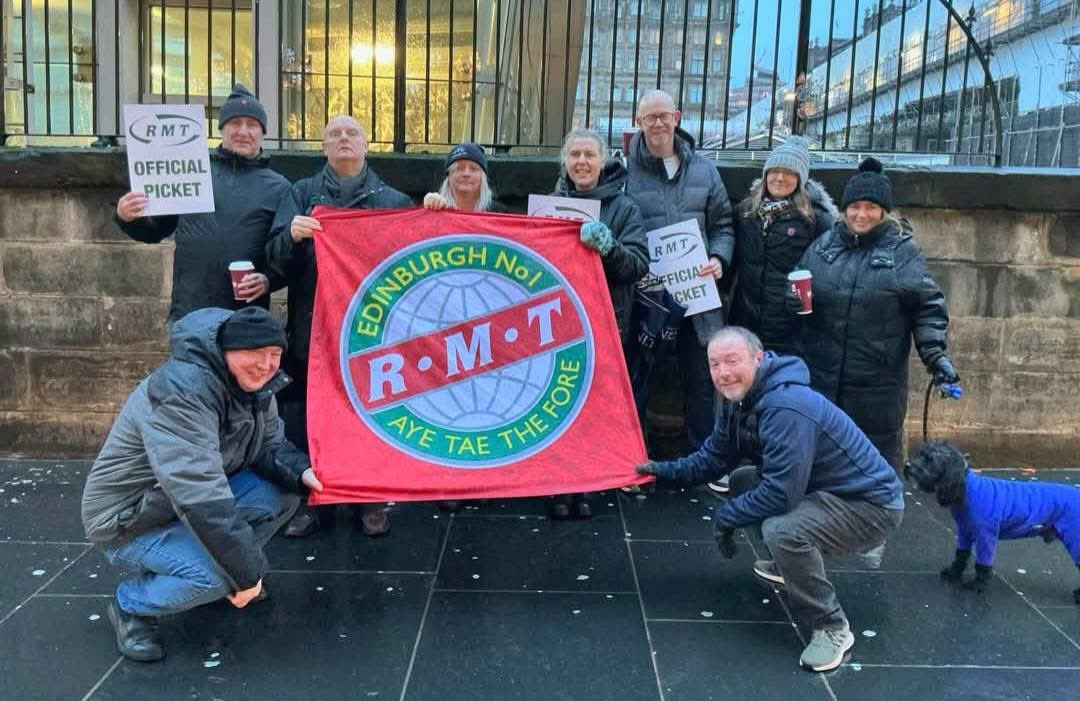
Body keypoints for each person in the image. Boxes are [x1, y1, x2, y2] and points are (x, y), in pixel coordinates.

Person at [636, 326, 904, 673]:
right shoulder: (740, 400)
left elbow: (782, 492)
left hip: (871, 504)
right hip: (826, 488)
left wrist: (727, 517)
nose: (723, 373)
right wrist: (659, 471)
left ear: (758, 358)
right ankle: (788, 566)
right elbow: (712, 460)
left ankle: (831, 626)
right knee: (743, 481)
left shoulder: (786, 406)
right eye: (714, 364)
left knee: (783, 530)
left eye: (732, 361)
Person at [81, 306, 322, 662]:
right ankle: (132, 605)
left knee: (283, 493)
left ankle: (203, 569)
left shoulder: (255, 386)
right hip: (130, 518)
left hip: (180, 501)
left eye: (274, 355)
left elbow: (270, 446)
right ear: (226, 351)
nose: (266, 364)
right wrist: (243, 575)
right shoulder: (182, 392)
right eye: (255, 354)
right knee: (216, 577)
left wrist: (303, 472)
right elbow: (199, 494)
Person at [265, 115, 412, 538]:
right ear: (324, 147)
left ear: (367, 144)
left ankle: (368, 498)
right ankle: (314, 500)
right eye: (334, 134)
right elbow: (274, 263)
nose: (343, 139)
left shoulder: (394, 200)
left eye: (352, 134)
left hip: (373, 332)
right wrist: (290, 237)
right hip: (314, 326)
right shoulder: (301, 195)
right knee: (312, 416)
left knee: (371, 413)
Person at [795, 157, 957, 470]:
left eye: (870, 207)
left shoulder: (902, 252)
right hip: (823, 376)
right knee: (822, 459)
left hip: (876, 385)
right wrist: (795, 302)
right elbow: (799, 284)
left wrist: (935, 356)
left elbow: (928, 308)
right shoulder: (824, 245)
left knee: (874, 464)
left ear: (883, 211)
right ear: (844, 209)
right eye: (854, 206)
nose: (861, 214)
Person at [707, 136, 836, 496]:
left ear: (801, 178)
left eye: (788, 172)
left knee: (782, 396)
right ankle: (733, 463)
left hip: (791, 325)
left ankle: (776, 467)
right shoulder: (745, 211)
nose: (779, 178)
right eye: (774, 171)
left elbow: (827, 270)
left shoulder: (816, 219)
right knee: (738, 392)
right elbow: (732, 260)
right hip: (746, 317)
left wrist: (811, 306)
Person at [114, 84, 290, 324]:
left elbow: (284, 250)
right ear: (221, 129)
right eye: (234, 123)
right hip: (190, 308)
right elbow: (157, 230)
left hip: (246, 314)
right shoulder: (191, 172)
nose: (243, 131)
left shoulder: (279, 187)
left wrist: (269, 280)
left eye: (252, 125)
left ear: (262, 132)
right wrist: (128, 217)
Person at [625, 89, 735, 452]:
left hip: (698, 293)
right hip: (647, 295)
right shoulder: (623, 171)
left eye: (663, 115)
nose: (657, 123)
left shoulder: (704, 168)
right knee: (639, 375)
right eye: (649, 117)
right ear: (637, 122)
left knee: (702, 375)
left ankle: (706, 455)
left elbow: (724, 225)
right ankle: (633, 456)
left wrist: (719, 258)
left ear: (677, 116)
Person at [548, 128, 650, 519]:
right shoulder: (548, 206)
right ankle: (559, 485)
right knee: (559, 406)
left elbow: (639, 265)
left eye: (589, 154)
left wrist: (610, 248)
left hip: (606, 322)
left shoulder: (624, 209)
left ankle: (586, 485)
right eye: (574, 154)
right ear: (565, 161)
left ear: (603, 159)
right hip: (557, 324)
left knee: (592, 410)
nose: (582, 162)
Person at [423, 141, 507, 213]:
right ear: (448, 176)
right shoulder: (437, 210)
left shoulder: (499, 213)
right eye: (459, 168)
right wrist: (430, 206)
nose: (466, 174)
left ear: (482, 177)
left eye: (473, 169)